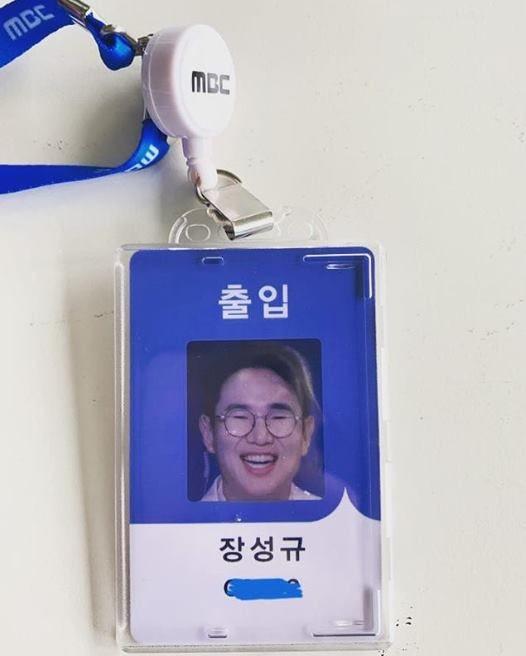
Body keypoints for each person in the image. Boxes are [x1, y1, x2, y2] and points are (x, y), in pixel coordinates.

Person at [199, 342, 322, 501]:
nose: (260, 437)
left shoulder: (339, 514)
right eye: (240, 417)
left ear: (306, 434)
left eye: (278, 417)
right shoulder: (179, 517)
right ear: (208, 434)